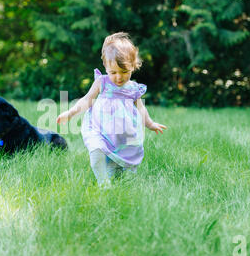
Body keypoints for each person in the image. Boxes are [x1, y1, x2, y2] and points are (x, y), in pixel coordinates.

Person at [56, 32, 167, 186]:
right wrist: (70, 113)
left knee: (122, 170)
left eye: (124, 72)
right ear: (105, 66)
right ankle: (104, 185)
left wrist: (150, 123)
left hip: (124, 135)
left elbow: (141, 109)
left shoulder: (133, 89)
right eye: (113, 72)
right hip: (99, 129)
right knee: (96, 153)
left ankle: (118, 176)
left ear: (133, 67)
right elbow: (87, 100)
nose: (119, 77)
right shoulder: (102, 82)